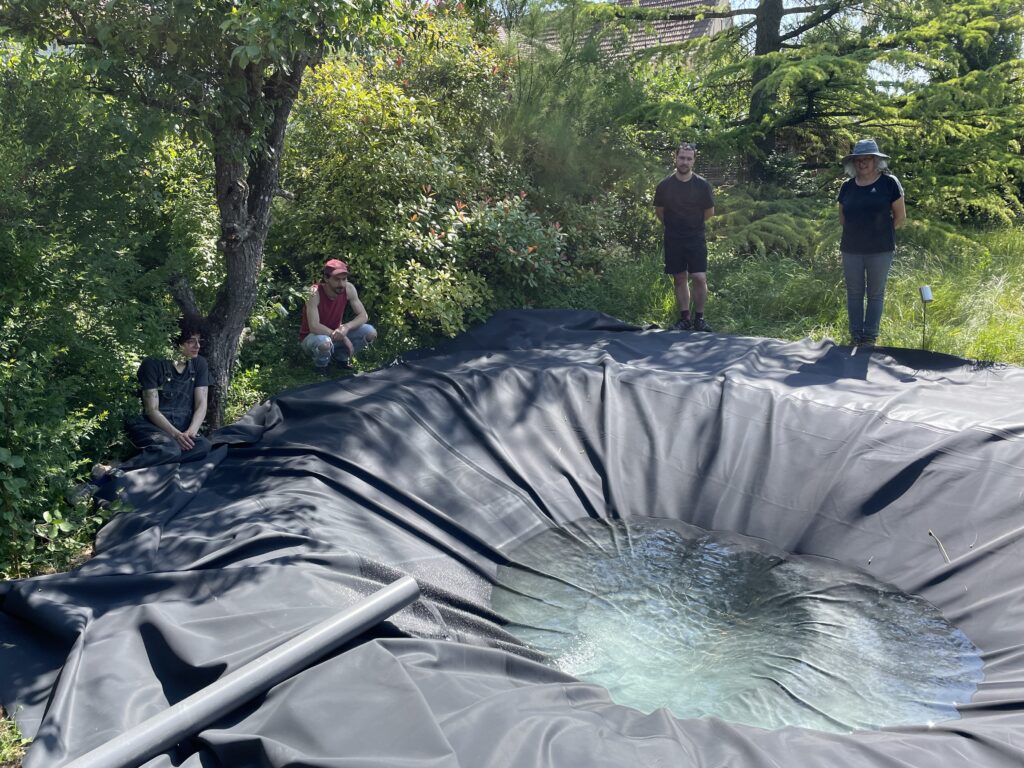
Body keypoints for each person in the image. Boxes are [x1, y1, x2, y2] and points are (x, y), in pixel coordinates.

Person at [73, 315, 213, 501]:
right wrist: (176, 435)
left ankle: (128, 463)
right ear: (176, 342)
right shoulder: (153, 364)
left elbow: (202, 403)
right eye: (190, 341)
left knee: (203, 446)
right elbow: (151, 409)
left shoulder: (199, 364)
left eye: (199, 341)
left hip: (182, 426)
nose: (197, 346)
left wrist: (190, 433)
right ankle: (101, 480)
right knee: (170, 449)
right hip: (149, 424)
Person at [837, 138, 907, 346]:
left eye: (867, 159)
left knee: (875, 293)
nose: (862, 163)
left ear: (876, 161)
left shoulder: (889, 183)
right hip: (851, 249)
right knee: (854, 293)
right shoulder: (847, 186)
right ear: (853, 162)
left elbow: (900, 217)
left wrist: (879, 233)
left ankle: (869, 337)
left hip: (880, 249)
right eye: (858, 160)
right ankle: (855, 335)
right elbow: (842, 218)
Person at [654, 142, 716, 332]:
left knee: (699, 277)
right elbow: (659, 211)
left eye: (689, 159)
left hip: (695, 237)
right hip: (673, 237)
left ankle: (700, 319)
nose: (684, 162)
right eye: (681, 157)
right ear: (675, 158)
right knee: (680, 278)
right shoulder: (664, 185)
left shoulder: (702, 185)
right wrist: (674, 226)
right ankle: (685, 319)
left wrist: (692, 225)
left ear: (694, 161)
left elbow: (709, 212)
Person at [299, 259, 377, 375]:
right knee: (324, 343)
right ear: (326, 278)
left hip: (335, 334)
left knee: (370, 332)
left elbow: (363, 315)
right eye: (337, 279)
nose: (341, 284)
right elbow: (314, 326)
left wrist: (346, 327)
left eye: (344, 279)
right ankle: (321, 367)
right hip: (312, 338)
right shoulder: (314, 292)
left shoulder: (349, 288)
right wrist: (343, 337)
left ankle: (341, 359)